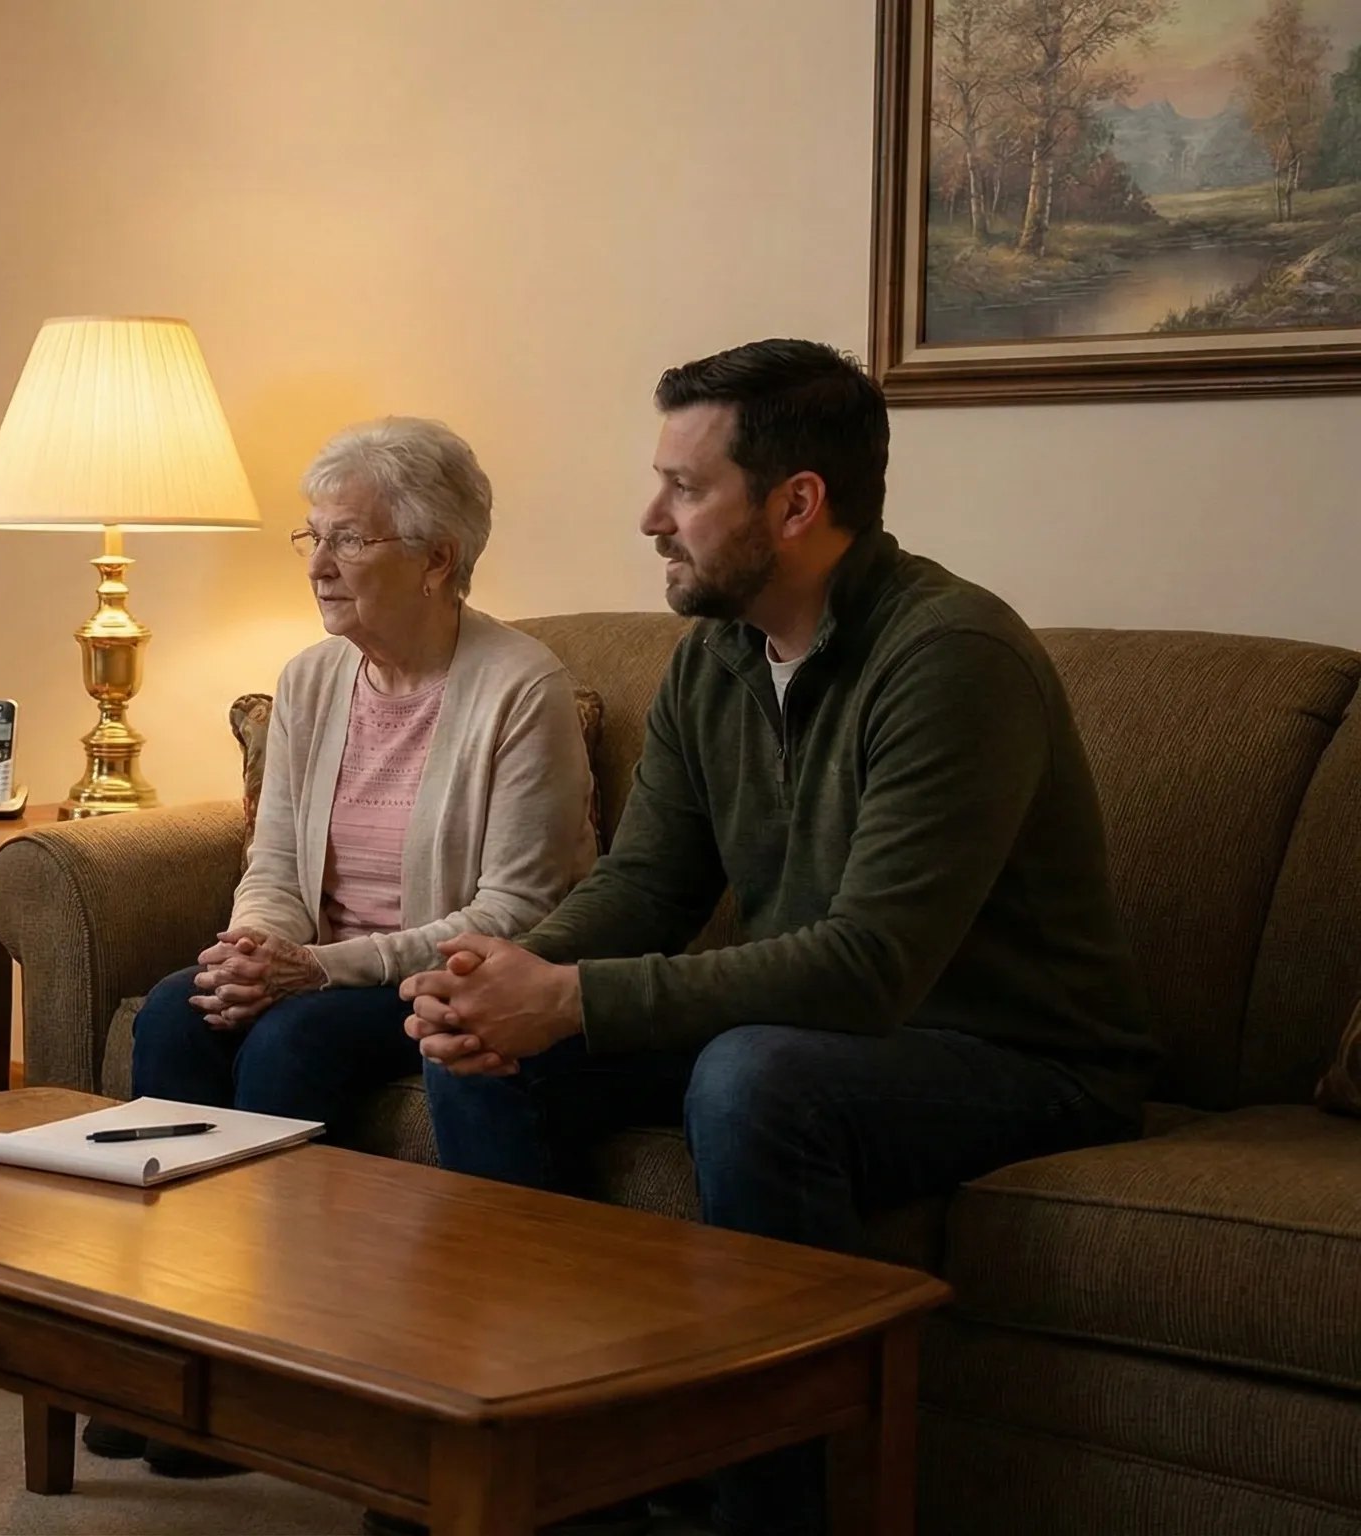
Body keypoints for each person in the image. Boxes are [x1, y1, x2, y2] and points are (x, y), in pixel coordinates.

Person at [405, 339, 1156, 1536]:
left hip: (1018, 1055)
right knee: (491, 1055)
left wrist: (573, 999)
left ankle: (776, 1511)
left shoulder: (950, 659)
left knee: (753, 1077)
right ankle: (568, 1480)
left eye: (683, 488)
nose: (649, 518)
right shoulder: (714, 655)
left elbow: (867, 967)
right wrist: (502, 976)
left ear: (795, 504)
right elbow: (647, 882)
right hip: (815, 1028)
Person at [103, 416, 598, 1480]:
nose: (318, 565)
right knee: (177, 1009)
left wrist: (315, 970)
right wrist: (252, 947)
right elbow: (275, 862)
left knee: (295, 1041)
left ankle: (292, 1376)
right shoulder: (311, 680)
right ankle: (180, 1356)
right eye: (312, 537)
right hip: (319, 964)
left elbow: (516, 909)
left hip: (440, 975)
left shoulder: (522, 687)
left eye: (349, 540)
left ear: (437, 559)